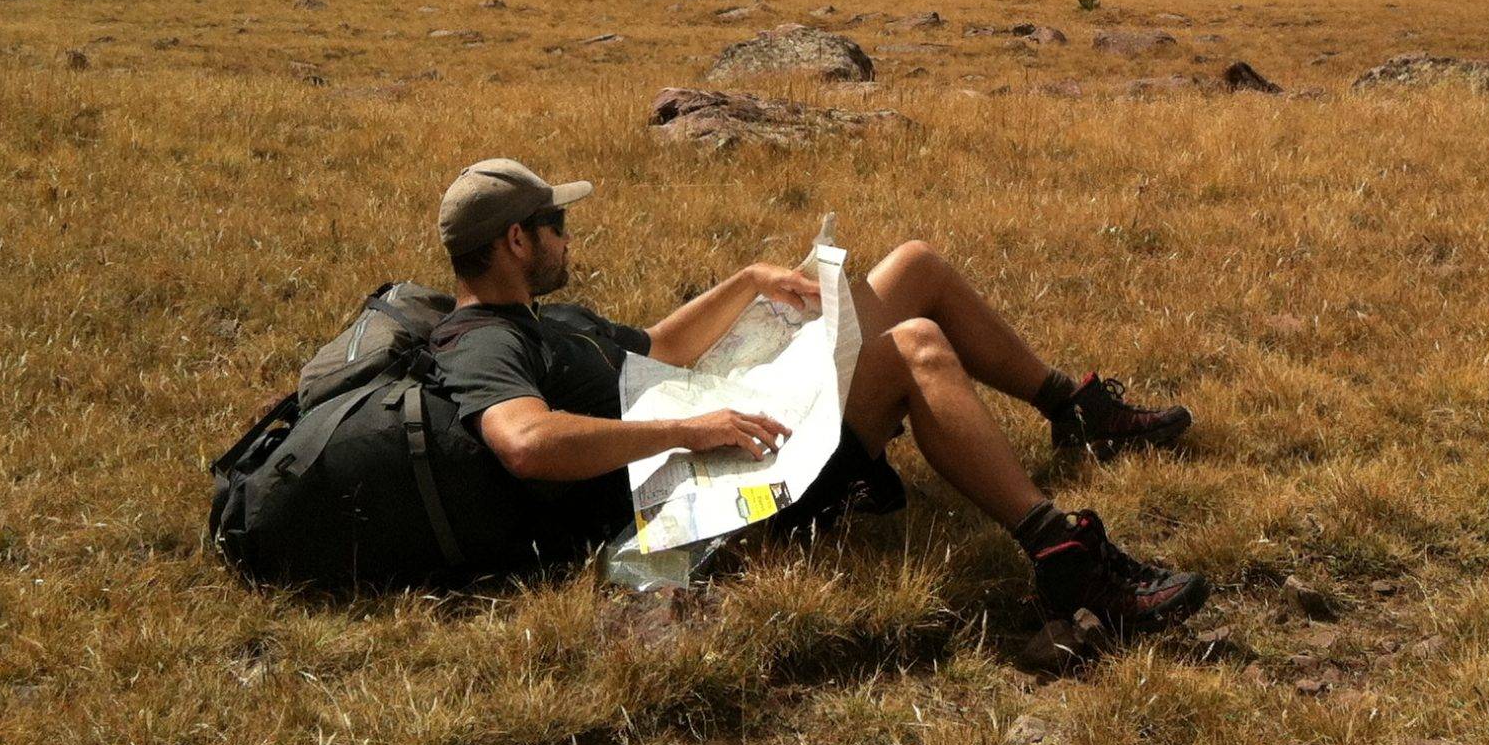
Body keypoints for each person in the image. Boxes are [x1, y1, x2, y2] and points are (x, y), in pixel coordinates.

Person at [425, 157, 1207, 630]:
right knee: (914, 348)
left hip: (724, 427)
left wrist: (751, 281)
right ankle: (1061, 553)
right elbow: (525, 445)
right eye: (555, 221)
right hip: (714, 494)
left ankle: (1075, 410)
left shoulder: (545, 316)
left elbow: (658, 349)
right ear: (517, 241)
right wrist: (692, 430)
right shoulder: (485, 342)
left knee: (914, 267)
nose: (568, 234)